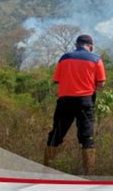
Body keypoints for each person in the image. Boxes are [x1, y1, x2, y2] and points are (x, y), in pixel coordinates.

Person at [43, 34, 106, 175]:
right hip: (85, 101)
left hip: (64, 101)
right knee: (87, 137)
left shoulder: (64, 58)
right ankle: (89, 175)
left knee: (56, 134)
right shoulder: (96, 59)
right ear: (90, 46)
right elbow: (101, 83)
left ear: (77, 44)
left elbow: (57, 79)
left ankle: (46, 171)